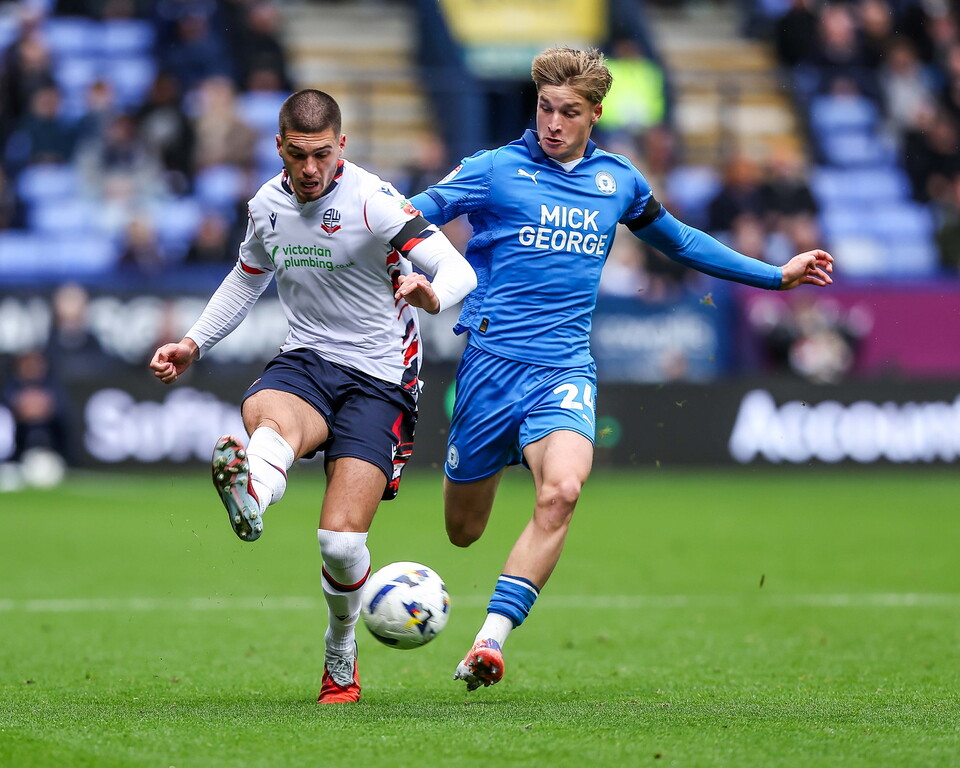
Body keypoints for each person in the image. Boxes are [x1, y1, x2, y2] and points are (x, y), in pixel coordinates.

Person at [407, 47, 834, 692]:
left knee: (562, 493)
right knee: (463, 532)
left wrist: (773, 275)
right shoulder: (494, 171)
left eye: (568, 112)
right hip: (489, 369)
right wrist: (398, 267)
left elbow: (682, 241)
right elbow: (405, 218)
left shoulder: (619, 182)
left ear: (594, 115)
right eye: (545, 108)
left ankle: (490, 640)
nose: (552, 123)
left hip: (564, 369)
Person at [149, 89, 477, 703]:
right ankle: (253, 493)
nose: (309, 169)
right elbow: (246, 280)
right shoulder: (266, 206)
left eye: (321, 155)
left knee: (341, 544)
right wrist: (194, 343)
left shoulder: (373, 202)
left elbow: (458, 270)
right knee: (267, 416)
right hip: (306, 360)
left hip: (381, 378)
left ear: (341, 147)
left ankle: (340, 648)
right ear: (279, 147)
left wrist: (434, 295)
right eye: (297, 155)